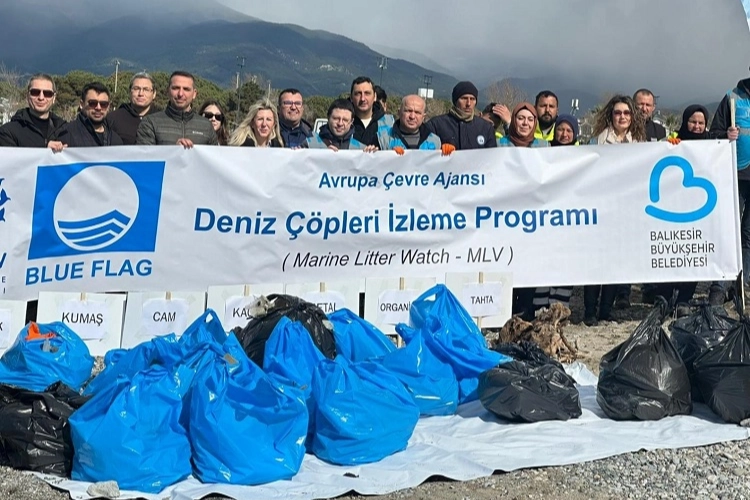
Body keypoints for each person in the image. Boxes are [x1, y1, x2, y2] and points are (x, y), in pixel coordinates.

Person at [583, 95, 645, 326]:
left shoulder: (639, 144)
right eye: (618, 112)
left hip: (625, 209)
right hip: (600, 207)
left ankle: (606, 310)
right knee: (595, 260)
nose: (622, 117)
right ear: (611, 115)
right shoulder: (596, 141)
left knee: (614, 261)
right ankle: (589, 310)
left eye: (626, 113)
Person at [645, 105, 712, 314]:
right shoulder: (674, 139)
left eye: (701, 123)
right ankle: (663, 297)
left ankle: (684, 299)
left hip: (699, 209)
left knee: (693, 250)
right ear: (685, 121)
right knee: (670, 249)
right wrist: (668, 146)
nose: (697, 126)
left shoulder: (713, 143)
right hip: (671, 206)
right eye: (693, 121)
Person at [497, 103, 548, 320]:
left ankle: (526, 309)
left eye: (529, 119)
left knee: (529, 261)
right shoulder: (499, 145)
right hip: (505, 214)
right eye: (520, 118)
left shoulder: (544, 146)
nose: (525, 123)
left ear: (534, 123)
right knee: (506, 260)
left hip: (533, 214)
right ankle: (505, 309)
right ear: (513, 120)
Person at [707, 79, 744, 305]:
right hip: (734, 175)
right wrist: (725, 134)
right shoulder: (732, 98)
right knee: (728, 233)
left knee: (747, 236)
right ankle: (719, 289)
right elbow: (714, 133)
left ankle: (740, 286)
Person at [136, 70, 217, 147]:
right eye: (176, 88)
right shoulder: (150, 123)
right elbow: (144, 155)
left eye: (186, 89)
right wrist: (174, 151)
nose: (180, 94)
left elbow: (215, 155)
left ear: (194, 94)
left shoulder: (207, 126)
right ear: (168, 91)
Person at [0, 73, 66, 149]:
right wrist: (44, 149)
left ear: (54, 98)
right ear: (27, 96)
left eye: (47, 93)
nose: (41, 97)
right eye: (35, 92)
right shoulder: (8, 132)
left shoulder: (65, 131)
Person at [425, 81, 496, 150]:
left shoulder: (486, 128)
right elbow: (424, 151)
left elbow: (492, 155)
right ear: (455, 101)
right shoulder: (436, 125)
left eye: (472, 99)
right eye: (464, 98)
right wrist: (439, 149)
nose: (468, 103)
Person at [55, 82, 123, 147]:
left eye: (103, 104)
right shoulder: (67, 134)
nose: (98, 108)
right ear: (82, 104)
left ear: (108, 106)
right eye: (92, 103)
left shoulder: (115, 140)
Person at [105, 72, 160, 145]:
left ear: (154, 94)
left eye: (146, 89)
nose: (141, 94)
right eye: (136, 89)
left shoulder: (162, 119)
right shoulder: (113, 119)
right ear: (129, 92)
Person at [307, 99, 376, 151]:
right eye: (336, 118)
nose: (340, 123)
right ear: (328, 117)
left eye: (345, 120)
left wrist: (372, 156)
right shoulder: (308, 144)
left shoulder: (361, 150)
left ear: (351, 121)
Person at [350, 76, 392, 147]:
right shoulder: (342, 122)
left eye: (367, 93)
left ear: (375, 96)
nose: (363, 99)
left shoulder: (389, 123)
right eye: (358, 94)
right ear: (351, 97)